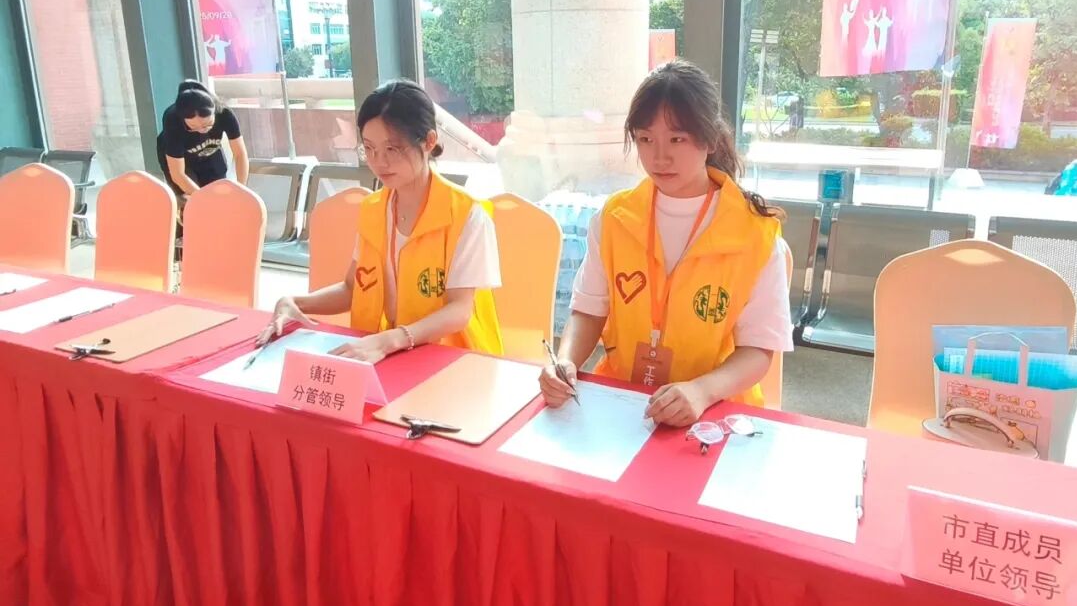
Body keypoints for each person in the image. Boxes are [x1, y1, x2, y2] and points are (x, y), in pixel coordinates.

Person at [539, 59, 793, 427]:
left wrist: (701, 391)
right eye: (646, 139)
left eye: (677, 139)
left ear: (710, 139)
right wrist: (566, 362)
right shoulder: (615, 218)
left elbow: (758, 350)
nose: (659, 157)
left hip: (712, 414)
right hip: (624, 403)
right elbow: (589, 311)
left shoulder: (754, 232)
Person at [258, 79, 503, 362]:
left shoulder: (466, 214)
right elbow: (353, 288)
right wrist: (294, 302)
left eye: (392, 149)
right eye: (370, 149)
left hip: (456, 360)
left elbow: (460, 310)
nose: (379, 162)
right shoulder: (374, 209)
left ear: (429, 141)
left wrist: (391, 340)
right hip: (397, 354)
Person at [156, 80, 249, 204]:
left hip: (209, 150)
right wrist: (203, 200)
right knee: (191, 201)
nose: (202, 130)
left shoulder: (224, 113)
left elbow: (240, 154)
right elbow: (178, 174)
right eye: (193, 127)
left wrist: (242, 189)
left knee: (219, 192)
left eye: (208, 124)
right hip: (181, 159)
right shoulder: (172, 121)